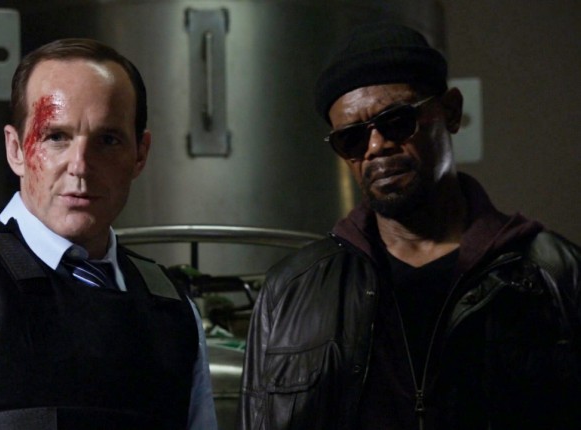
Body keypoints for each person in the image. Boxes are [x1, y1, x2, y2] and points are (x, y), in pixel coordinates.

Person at [238, 23, 581, 430]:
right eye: (352, 139)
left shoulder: (555, 275)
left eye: (397, 121)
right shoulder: (291, 291)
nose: (376, 147)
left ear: (450, 112)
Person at [0, 38, 217, 429]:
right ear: (15, 149)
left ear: (140, 154)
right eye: (56, 137)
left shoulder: (172, 311)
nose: (80, 166)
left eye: (108, 140)